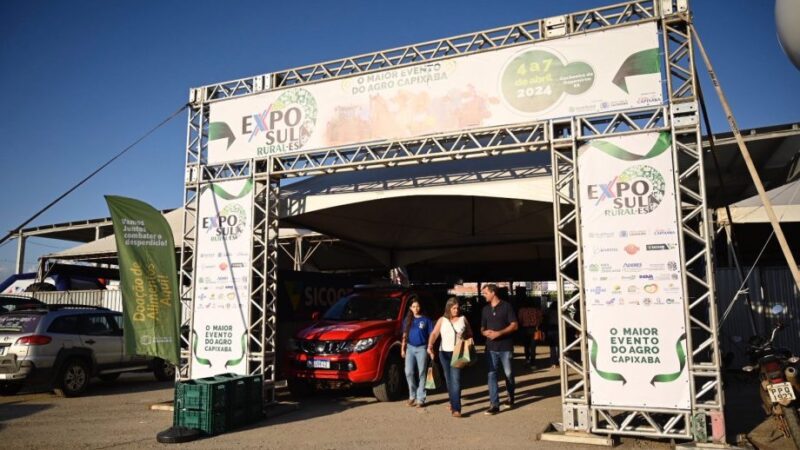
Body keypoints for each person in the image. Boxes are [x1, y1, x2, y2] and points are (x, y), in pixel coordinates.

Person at [427, 297, 473, 418]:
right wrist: (430, 344)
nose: (456, 310)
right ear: (448, 308)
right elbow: (434, 333)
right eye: (453, 308)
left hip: (458, 353)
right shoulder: (442, 320)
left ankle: (456, 409)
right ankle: (453, 402)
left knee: (456, 379)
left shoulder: (463, 319)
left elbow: (470, 333)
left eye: (457, 308)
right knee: (448, 380)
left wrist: (464, 338)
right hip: (444, 353)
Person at [480, 284, 518, 415]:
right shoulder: (485, 309)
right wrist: (484, 333)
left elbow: (514, 325)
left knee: (508, 374)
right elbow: (482, 327)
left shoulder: (506, 306)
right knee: (491, 374)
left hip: (505, 347)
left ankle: (510, 395)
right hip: (490, 348)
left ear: (493, 293)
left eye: (485, 293)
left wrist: (499, 333)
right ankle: (494, 404)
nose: (483, 295)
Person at [400, 298, 434, 408]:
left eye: (417, 306)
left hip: (422, 348)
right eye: (413, 307)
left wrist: (430, 348)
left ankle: (420, 398)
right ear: (410, 308)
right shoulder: (407, 320)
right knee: (408, 372)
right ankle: (412, 396)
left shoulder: (426, 320)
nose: (416, 309)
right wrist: (403, 348)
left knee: (422, 373)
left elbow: (431, 336)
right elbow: (404, 335)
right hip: (410, 348)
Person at [517, 296, 543, 370]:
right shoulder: (536, 310)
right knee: (533, 347)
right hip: (534, 329)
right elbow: (540, 319)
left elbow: (520, 320)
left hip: (525, 329)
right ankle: (533, 363)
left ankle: (527, 359)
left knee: (526, 346)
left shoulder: (521, 310)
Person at [544, 298, 560, 369]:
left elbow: (545, 319)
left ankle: (553, 362)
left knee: (552, 346)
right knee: (560, 345)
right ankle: (561, 360)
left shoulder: (548, 311)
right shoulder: (561, 311)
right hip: (559, 328)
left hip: (550, 328)